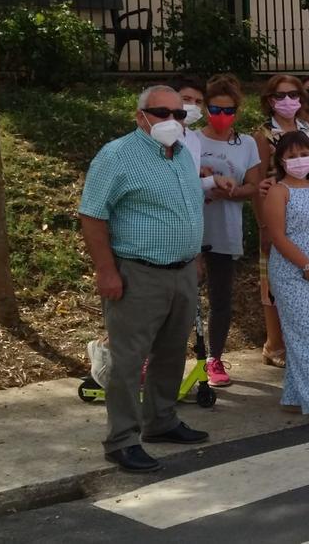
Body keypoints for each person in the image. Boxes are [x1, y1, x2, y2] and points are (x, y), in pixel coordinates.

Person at [79, 85, 209, 473]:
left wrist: (196, 257)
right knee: (129, 359)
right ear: (140, 116)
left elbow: (189, 209)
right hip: (138, 273)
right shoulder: (117, 156)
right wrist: (106, 270)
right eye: (162, 113)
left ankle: (161, 421)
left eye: (179, 114)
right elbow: (92, 215)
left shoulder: (182, 154)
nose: (172, 121)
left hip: (182, 270)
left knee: (171, 351)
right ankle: (121, 440)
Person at [263, 131, 309, 430]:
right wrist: (305, 263)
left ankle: (295, 394)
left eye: (303, 153)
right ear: (281, 160)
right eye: (292, 155)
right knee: (305, 333)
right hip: (290, 271)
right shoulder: (279, 191)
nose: (299, 160)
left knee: (308, 331)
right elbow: (277, 236)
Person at [196, 75, 261, 387]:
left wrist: (233, 192)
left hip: (225, 228)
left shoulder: (246, 144)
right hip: (191, 228)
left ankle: (214, 358)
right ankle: (156, 358)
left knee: (220, 298)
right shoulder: (191, 139)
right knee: (179, 297)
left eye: (229, 110)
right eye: (215, 109)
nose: (222, 116)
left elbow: (254, 186)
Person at [254, 75, 309, 369]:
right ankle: (273, 343)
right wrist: (264, 224)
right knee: (273, 282)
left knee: (306, 276)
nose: (288, 101)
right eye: (280, 96)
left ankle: (301, 342)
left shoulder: (308, 129)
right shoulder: (263, 134)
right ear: (270, 100)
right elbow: (257, 182)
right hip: (277, 215)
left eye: (294, 94)